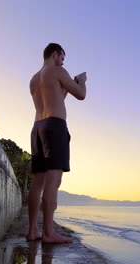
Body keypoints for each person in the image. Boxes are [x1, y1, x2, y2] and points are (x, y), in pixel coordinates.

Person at [26, 43, 87, 244]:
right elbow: (81, 94)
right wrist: (82, 81)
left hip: (37, 127)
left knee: (38, 181)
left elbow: (58, 97)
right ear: (55, 54)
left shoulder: (34, 80)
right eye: (62, 57)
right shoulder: (58, 71)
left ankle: (33, 230)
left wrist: (69, 85)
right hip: (55, 126)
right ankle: (49, 233)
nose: (63, 61)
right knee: (54, 179)